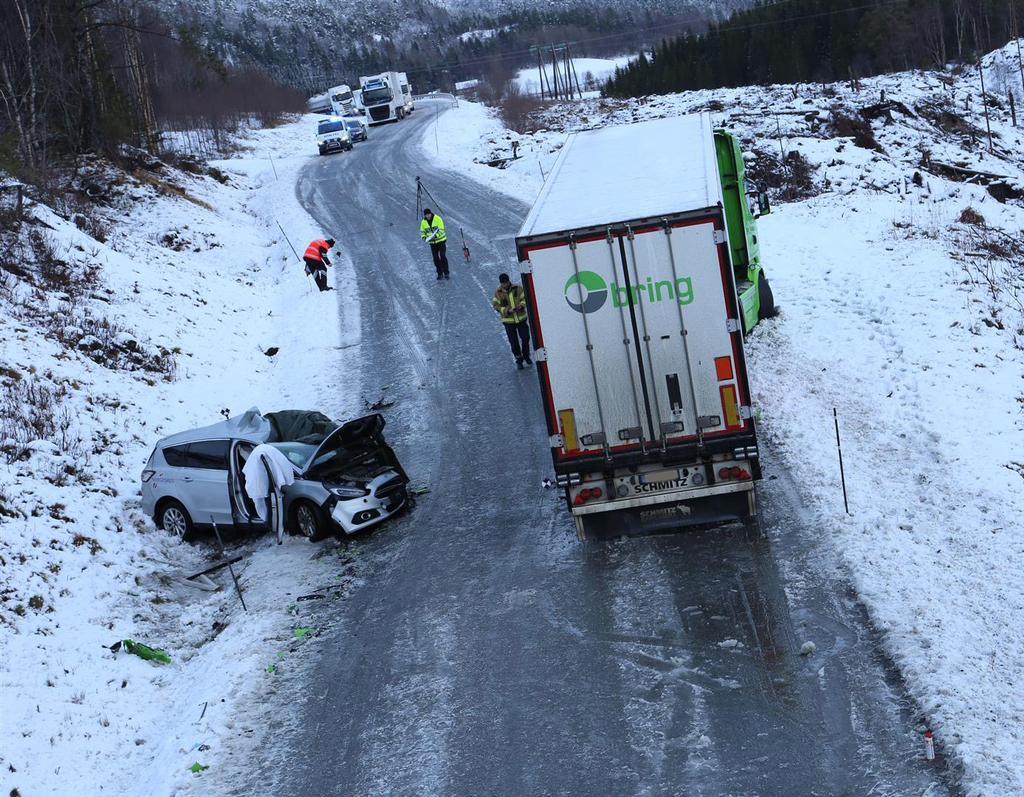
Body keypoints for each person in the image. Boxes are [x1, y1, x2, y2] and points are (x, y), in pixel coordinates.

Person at [492, 273, 532, 369]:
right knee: (513, 342)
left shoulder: (518, 288)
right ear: (501, 283)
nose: (505, 285)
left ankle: (526, 355)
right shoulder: (497, 293)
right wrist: (507, 311)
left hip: (521, 319)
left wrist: (521, 305)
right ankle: (519, 359)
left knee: (525, 338)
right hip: (508, 322)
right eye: (503, 283)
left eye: (506, 282)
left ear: (509, 281)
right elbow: (496, 306)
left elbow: (525, 298)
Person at [420, 209, 449, 280]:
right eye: (426, 215)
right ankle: (440, 274)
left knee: (442, 256)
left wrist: (436, 236)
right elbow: (422, 232)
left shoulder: (438, 219)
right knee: (435, 258)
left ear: (431, 213)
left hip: (441, 241)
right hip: (432, 243)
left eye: (428, 214)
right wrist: (424, 237)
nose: (428, 216)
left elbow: (442, 230)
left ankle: (446, 273)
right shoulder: (423, 222)